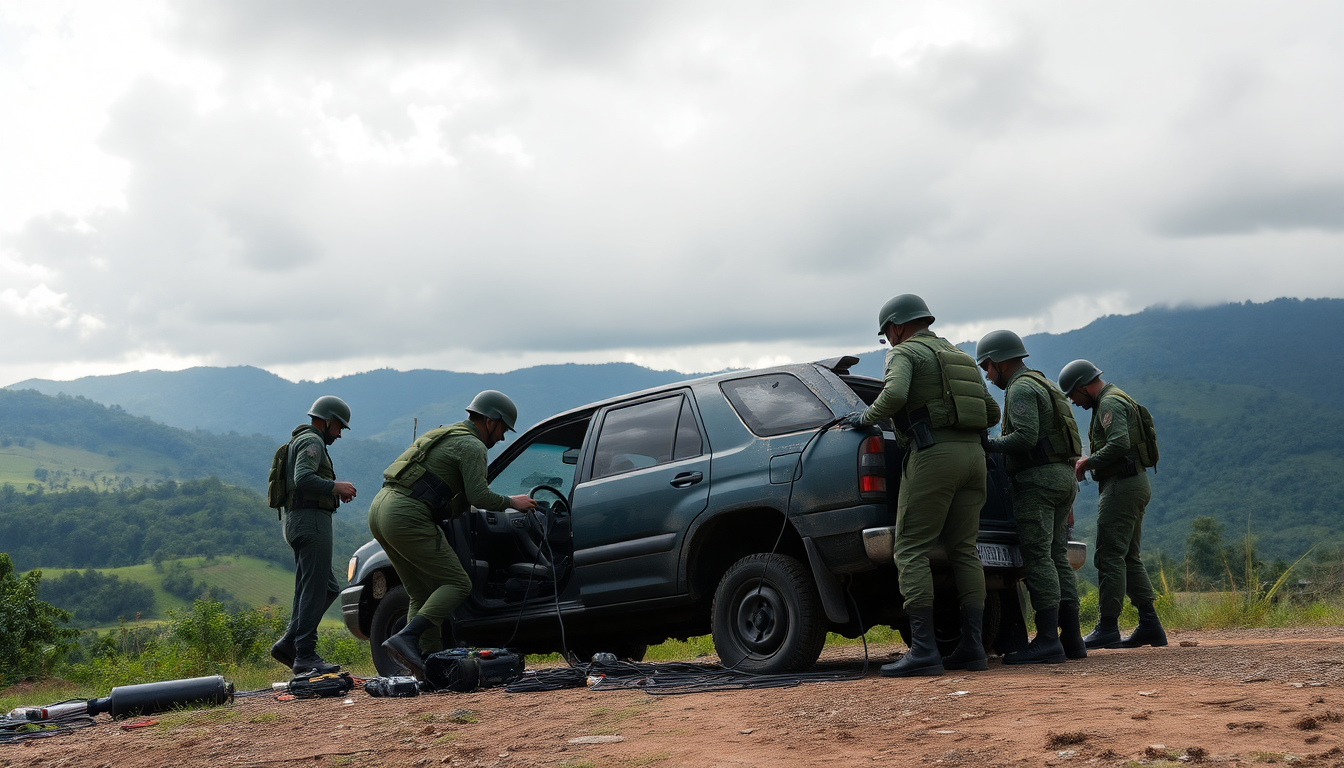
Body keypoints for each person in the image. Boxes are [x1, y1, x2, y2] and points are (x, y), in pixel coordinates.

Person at [842, 294, 1000, 677]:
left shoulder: (904, 354)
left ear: (896, 327)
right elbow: (992, 412)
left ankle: (924, 651)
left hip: (933, 457)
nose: (889, 341)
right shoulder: (960, 357)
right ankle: (973, 649)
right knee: (964, 550)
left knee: (910, 549)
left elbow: (894, 396)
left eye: (887, 335)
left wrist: (863, 417)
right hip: (974, 460)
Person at [369, 390, 538, 677]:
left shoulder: (444, 434)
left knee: (421, 593)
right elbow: (479, 496)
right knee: (458, 583)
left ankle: (426, 662)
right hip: (407, 514)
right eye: (502, 429)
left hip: (381, 508)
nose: (501, 438)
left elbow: (449, 496)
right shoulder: (473, 446)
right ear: (489, 421)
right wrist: (513, 502)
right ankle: (407, 638)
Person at [976, 330, 1085, 663]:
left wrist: (989, 445)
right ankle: (1072, 639)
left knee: (1038, 558)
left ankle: (1048, 640)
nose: (987, 375)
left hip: (1037, 480)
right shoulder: (1045, 383)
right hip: (1062, 477)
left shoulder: (1020, 387)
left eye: (987, 367)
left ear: (999, 362)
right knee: (1056, 556)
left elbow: (1024, 437)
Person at [1057, 359, 1167, 650]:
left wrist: (1086, 463)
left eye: (1072, 394)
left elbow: (1119, 442)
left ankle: (1107, 628)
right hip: (1132, 483)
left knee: (1108, 556)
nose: (1073, 401)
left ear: (1083, 386)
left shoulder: (1109, 403)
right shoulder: (1115, 398)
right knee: (1128, 556)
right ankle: (1150, 626)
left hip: (1122, 485)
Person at [271, 395, 358, 675]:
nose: (340, 434)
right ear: (328, 420)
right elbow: (303, 478)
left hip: (298, 520)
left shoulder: (302, 439)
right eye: (339, 427)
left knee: (325, 587)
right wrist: (336, 487)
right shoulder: (313, 441)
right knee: (315, 587)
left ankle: (289, 643)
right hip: (311, 522)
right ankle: (305, 652)